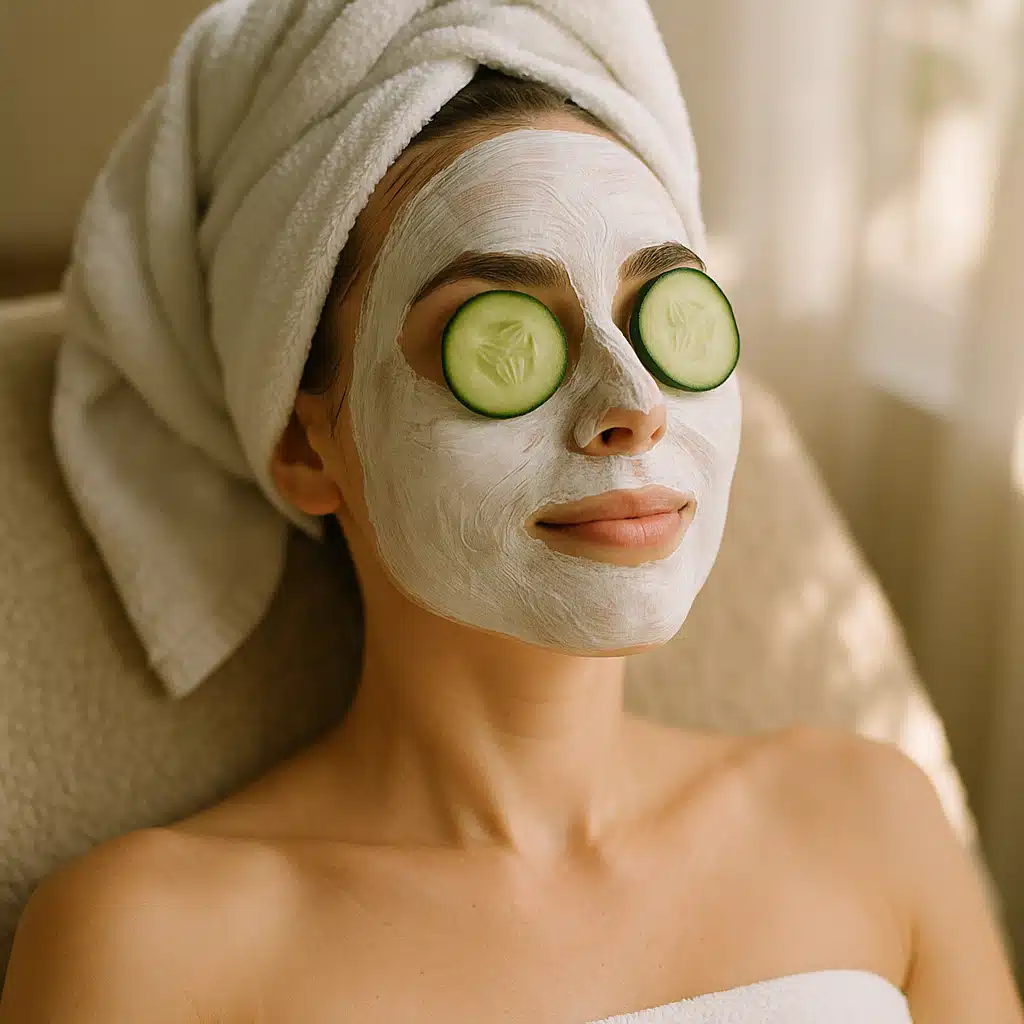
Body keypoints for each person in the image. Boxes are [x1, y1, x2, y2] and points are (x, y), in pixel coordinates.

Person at [2, 45, 1022, 1024]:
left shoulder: (866, 816)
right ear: (308, 445)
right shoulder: (152, 942)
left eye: (662, 314)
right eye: (501, 335)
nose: (634, 403)